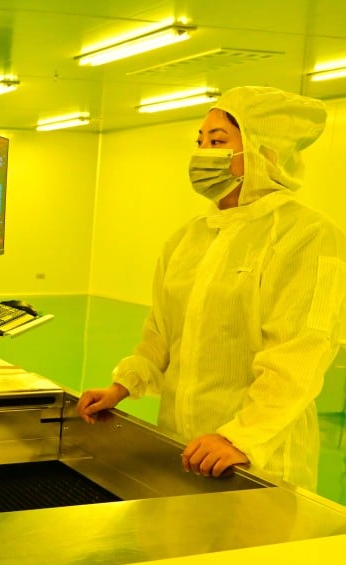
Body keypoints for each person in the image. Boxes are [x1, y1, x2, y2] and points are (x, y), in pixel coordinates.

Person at [76, 86, 346, 491]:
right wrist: (123, 385)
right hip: (182, 447)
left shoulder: (309, 236)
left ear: (264, 152)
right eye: (200, 141)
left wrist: (239, 436)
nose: (203, 153)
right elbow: (160, 336)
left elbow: (298, 357)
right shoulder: (189, 238)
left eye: (218, 142)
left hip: (258, 458)